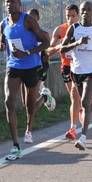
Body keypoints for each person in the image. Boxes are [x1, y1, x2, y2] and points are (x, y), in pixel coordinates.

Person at [0, 0, 50, 160]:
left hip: (31, 66)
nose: (9, 4)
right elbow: (3, 42)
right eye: (7, 2)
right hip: (13, 66)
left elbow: (45, 43)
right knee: (9, 102)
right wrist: (0, 46)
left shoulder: (28, 20)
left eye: (13, 1)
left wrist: (26, 53)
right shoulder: (3, 23)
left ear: (19, 4)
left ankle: (44, 97)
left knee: (30, 107)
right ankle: (15, 145)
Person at [60, 1, 92, 150]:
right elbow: (63, 48)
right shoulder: (73, 29)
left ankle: (83, 138)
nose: (86, 12)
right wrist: (77, 43)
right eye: (83, 10)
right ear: (80, 13)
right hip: (76, 71)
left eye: (88, 10)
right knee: (82, 102)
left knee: (84, 103)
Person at [21, 8, 56, 144]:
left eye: (33, 19)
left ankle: (28, 132)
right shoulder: (24, 35)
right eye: (28, 19)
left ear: (38, 19)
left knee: (30, 105)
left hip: (38, 68)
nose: (31, 22)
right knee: (26, 104)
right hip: (24, 68)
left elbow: (46, 52)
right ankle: (45, 96)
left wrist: (46, 56)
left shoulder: (45, 35)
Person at [48, 4, 82, 141]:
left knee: (76, 96)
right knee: (74, 97)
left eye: (73, 16)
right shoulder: (59, 30)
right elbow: (49, 51)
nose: (70, 18)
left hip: (81, 67)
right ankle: (91, 99)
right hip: (66, 66)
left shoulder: (83, 30)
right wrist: (59, 46)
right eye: (68, 16)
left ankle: (72, 128)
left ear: (78, 16)